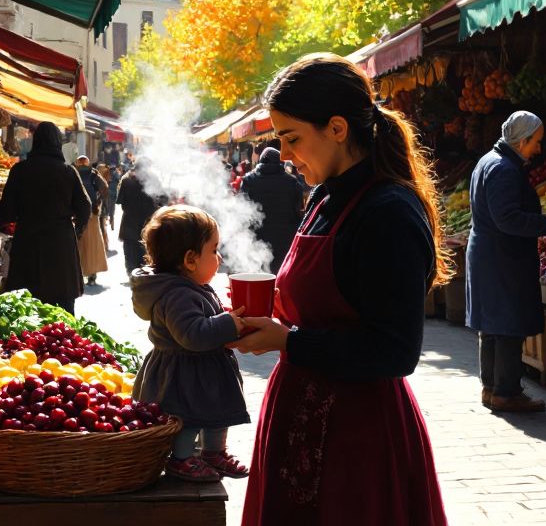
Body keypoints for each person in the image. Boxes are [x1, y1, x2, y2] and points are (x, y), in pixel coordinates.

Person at [231, 53, 450, 526]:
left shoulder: (388, 210)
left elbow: (395, 350)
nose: (285, 156)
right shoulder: (324, 195)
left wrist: (286, 340)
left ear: (336, 128)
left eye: (291, 139)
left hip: (357, 439)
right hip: (299, 418)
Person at [131, 205, 250, 481]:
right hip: (185, 374)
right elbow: (193, 334)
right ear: (190, 260)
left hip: (204, 370)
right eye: (214, 249)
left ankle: (214, 452)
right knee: (188, 417)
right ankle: (182, 458)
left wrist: (226, 315)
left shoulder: (189, 286)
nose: (219, 257)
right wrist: (226, 324)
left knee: (218, 412)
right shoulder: (177, 295)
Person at [466, 111, 546, 412]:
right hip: (501, 257)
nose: (539, 148)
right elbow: (507, 218)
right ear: (522, 141)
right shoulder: (504, 169)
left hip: (491, 255)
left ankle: (492, 389)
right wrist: (545, 225)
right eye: (536, 142)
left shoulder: (489, 161)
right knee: (507, 325)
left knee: (493, 325)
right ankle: (506, 392)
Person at [0, 122, 91, 313]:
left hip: (28, 243)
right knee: (62, 315)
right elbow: (85, 207)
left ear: (35, 141)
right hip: (61, 246)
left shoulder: (20, 171)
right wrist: (76, 232)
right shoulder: (68, 171)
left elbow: (6, 212)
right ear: (58, 142)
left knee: (27, 309)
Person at [240, 146, 305, 273]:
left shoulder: (248, 180)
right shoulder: (292, 182)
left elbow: (242, 212)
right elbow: (298, 210)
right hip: (285, 240)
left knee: (259, 277)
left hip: (257, 239)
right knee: (281, 275)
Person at [116, 160, 162, 277]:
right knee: (147, 248)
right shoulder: (154, 179)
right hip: (148, 221)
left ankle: (132, 275)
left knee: (130, 251)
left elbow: (120, 200)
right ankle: (146, 272)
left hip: (129, 221)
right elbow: (162, 199)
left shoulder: (126, 180)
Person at [74, 155, 109, 286]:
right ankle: (92, 275)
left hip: (76, 213)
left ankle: (78, 273)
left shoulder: (73, 172)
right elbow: (105, 189)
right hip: (92, 213)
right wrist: (98, 202)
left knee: (78, 243)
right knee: (93, 243)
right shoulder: (94, 174)